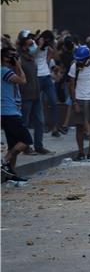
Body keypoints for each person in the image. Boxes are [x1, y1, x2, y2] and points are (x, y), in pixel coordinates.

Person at [17, 33, 51, 155]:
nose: (33, 46)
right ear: (24, 47)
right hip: (26, 96)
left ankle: (39, 146)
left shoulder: (33, 58)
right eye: (30, 44)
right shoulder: (19, 60)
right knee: (24, 123)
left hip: (36, 95)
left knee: (40, 122)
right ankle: (25, 147)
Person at [1, 47, 32, 182]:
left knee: (13, 144)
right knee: (26, 141)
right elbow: (23, 80)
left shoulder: (7, 71)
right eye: (11, 56)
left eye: (15, 55)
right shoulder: (4, 71)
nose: (14, 58)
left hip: (11, 111)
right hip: (9, 112)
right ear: (4, 58)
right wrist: (18, 64)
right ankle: (4, 161)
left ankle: (11, 174)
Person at [67, 45, 90, 160]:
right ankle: (81, 152)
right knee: (79, 127)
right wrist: (74, 102)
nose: (79, 61)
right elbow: (71, 85)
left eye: (81, 59)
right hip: (80, 99)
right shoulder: (74, 67)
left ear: (88, 58)